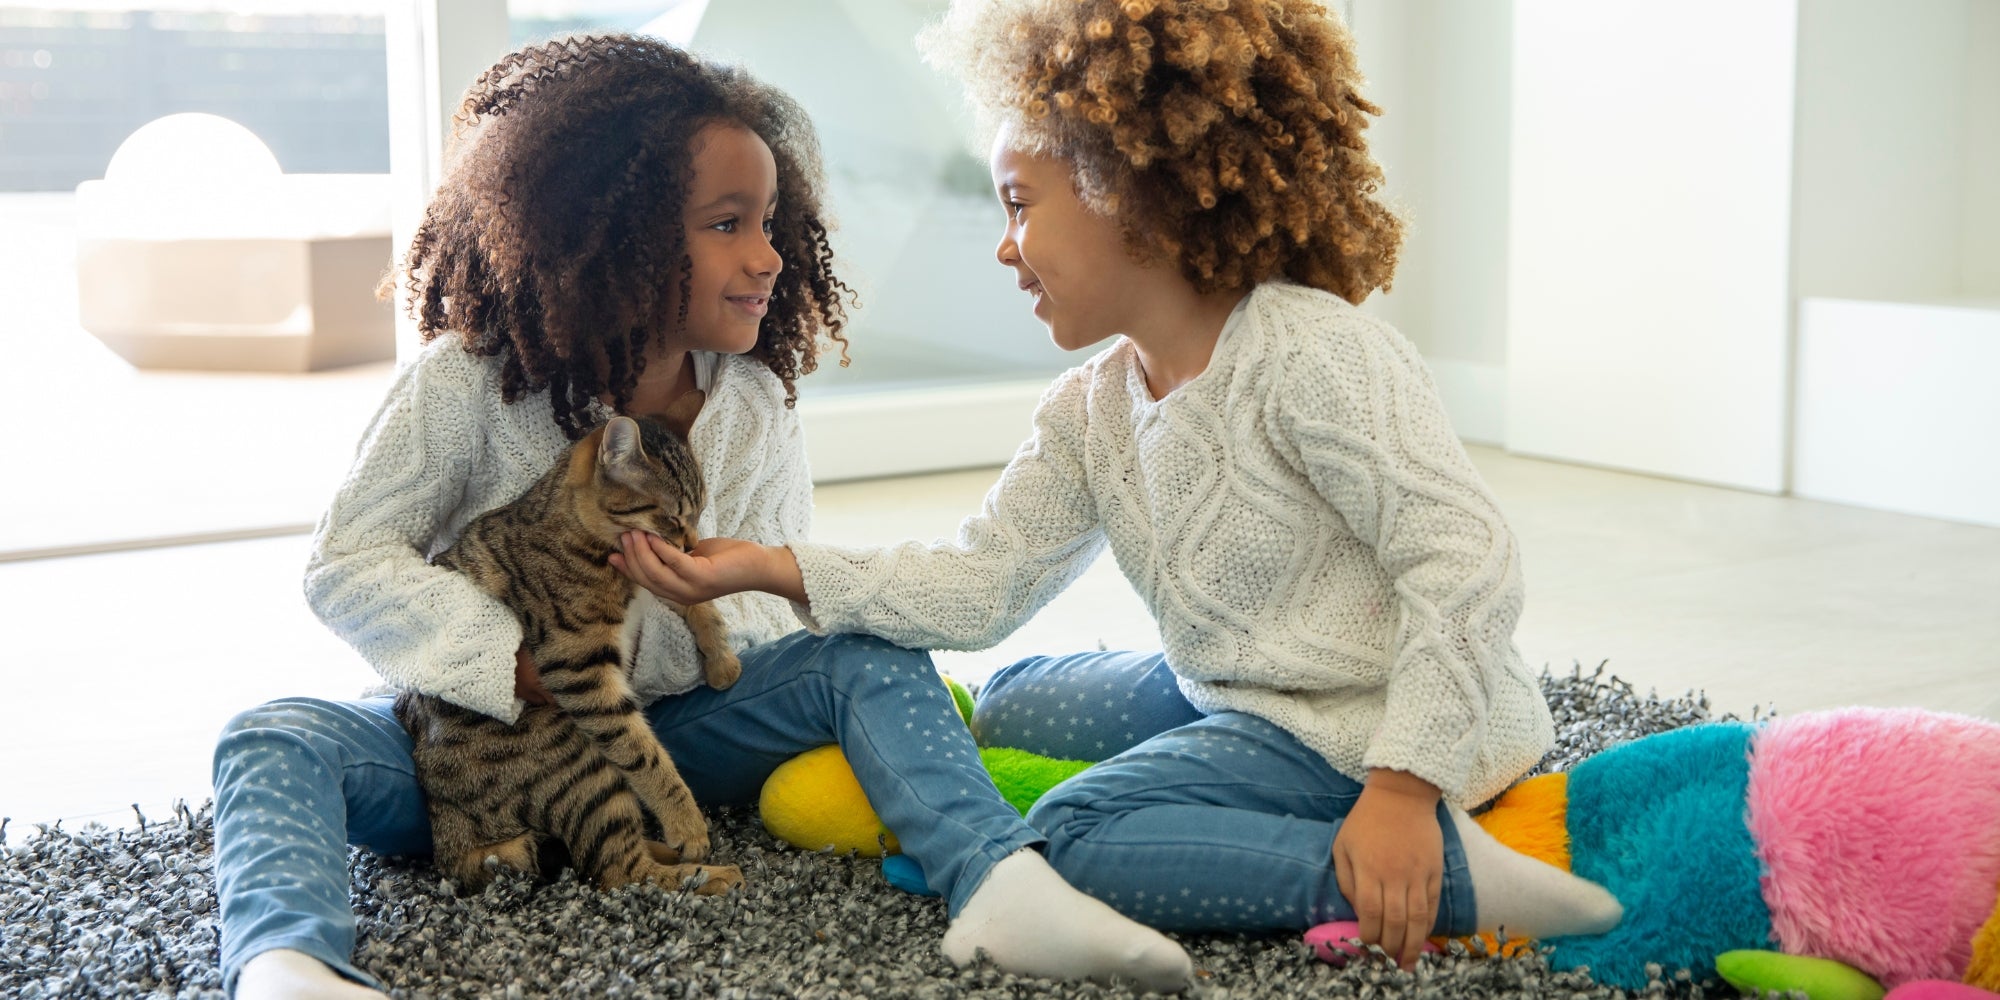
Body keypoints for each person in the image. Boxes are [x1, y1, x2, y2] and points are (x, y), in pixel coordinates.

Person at [611, 0, 1627, 974]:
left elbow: (1466, 561)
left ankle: (1446, 878)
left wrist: (1403, 789)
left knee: (1072, 833)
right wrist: (771, 567)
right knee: (1004, 702)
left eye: (1018, 205)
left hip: (1362, 728)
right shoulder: (1091, 405)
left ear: (1132, 193)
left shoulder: (1313, 353)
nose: (1004, 246)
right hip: (1235, 691)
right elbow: (981, 581)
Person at [211, 33, 1192, 1000]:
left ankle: (996, 882)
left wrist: (694, 609)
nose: (767, 255)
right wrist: (495, 653)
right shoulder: (468, 382)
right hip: (474, 754)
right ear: (614, 234)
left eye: (769, 222)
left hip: (671, 735)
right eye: (727, 224)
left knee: (864, 650)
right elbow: (345, 560)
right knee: (273, 735)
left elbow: (772, 617)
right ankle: (287, 964)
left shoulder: (752, 404)